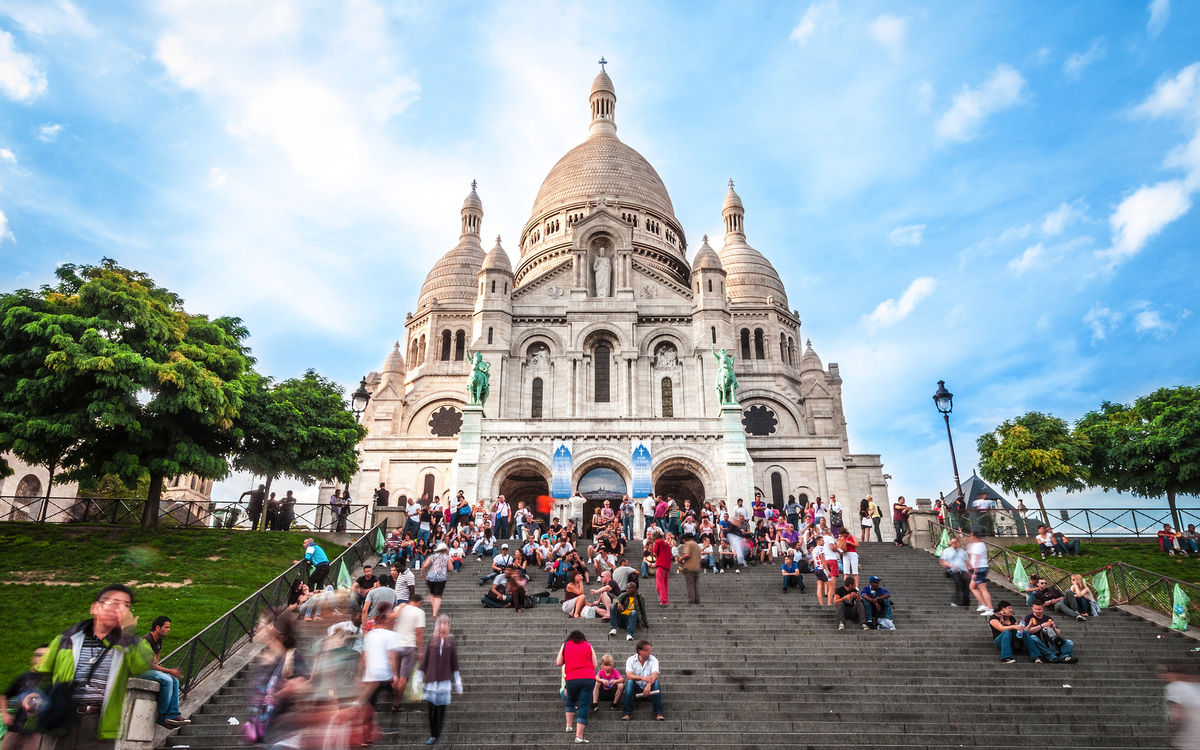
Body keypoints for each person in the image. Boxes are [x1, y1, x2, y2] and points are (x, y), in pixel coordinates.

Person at [35, 584, 156, 750]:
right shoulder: (67, 639)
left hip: (99, 726)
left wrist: (130, 631)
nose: (120, 609)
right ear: (95, 608)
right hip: (62, 720)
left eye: (126, 605)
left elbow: (141, 666)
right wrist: (34, 701)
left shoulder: (129, 644)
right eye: (114, 603)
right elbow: (40, 673)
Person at [417, 614, 462, 745]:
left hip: (444, 682)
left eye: (447, 624)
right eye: (443, 623)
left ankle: (435, 734)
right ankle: (433, 733)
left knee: (440, 711)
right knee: (431, 710)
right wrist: (418, 677)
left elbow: (454, 664)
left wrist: (458, 684)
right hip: (431, 682)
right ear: (438, 625)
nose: (445, 626)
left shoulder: (451, 642)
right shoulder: (432, 641)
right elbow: (425, 660)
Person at [139, 616, 188, 729]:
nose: (168, 630)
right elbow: (150, 665)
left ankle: (173, 714)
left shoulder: (158, 640)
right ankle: (162, 717)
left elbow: (157, 654)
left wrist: (157, 664)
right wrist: (169, 671)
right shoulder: (146, 641)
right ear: (158, 627)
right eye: (166, 627)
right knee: (167, 680)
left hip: (148, 670)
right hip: (138, 671)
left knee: (174, 680)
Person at [2, 644, 48, 750]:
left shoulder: (53, 679)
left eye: (45, 656)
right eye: (38, 655)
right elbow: (4, 696)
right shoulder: (24, 677)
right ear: (32, 658)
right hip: (15, 729)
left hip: (38, 733)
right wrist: (5, 714)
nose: (40, 658)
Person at [556, 631, 598, 743]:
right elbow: (595, 665)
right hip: (588, 678)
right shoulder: (588, 646)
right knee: (583, 706)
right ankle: (579, 736)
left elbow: (559, 662)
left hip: (571, 678)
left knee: (570, 699)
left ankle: (568, 725)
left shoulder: (565, 644)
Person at [392, 594, 425, 710]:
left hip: (395, 645)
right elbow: (419, 632)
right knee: (404, 676)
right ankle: (396, 703)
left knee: (395, 673)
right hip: (409, 646)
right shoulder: (419, 612)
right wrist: (420, 650)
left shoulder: (397, 609)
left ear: (410, 600)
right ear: (419, 602)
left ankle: (391, 689)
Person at [621, 640, 664, 722]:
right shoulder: (630, 660)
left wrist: (648, 684)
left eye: (650, 649)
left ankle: (658, 713)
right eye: (647, 650)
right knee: (629, 682)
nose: (650, 652)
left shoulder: (653, 660)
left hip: (650, 692)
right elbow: (629, 675)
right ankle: (627, 713)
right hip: (636, 692)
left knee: (656, 683)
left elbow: (655, 674)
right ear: (640, 651)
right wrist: (642, 678)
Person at [1162, 662, 1200, 749]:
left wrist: (1169, 738)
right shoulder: (1195, 687)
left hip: (1185, 743)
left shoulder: (1176, 686)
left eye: (1163, 671)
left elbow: (1177, 715)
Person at [965, 531, 993, 616]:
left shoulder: (980, 545)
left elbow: (977, 558)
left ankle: (990, 608)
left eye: (971, 536)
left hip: (980, 568)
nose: (970, 537)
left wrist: (975, 571)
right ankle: (984, 604)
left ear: (975, 536)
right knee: (972, 587)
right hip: (979, 568)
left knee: (983, 589)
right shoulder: (976, 545)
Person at [938, 535, 970, 607]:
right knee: (959, 585)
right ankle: (957, 601)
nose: (954, 544)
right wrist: (949, 565)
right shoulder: (946, 551)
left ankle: (966, 603)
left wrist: (968, 571)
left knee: (966, 587)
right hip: (954, 571)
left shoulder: (962, 552)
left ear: (958, 542)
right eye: (952, 542)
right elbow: (943, 561)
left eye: (955, 542)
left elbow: (967, 562)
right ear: (950, 543)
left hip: (963, 571)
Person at [421, 541, 450, 617]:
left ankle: (434, 608)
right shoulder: (447, 557)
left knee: (432, 594)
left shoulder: (432, 556)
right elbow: (451, 568)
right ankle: (435, 613)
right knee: (438, 596)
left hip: (431, 577)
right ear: (445, 550)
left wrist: (422, 573)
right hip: (441, 578)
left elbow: (424, 566)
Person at [678, 532, 701, 605]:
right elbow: (699, 558)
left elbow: (687, 554)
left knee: (690, 585)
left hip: (689, 567)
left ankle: (691, 600)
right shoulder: (697, 545)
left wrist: (680, 559)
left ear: (685, 539)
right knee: (695, 585)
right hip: (697, 567)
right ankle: (697, 600)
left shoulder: (688, 544)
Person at [652, 529, 673, 606]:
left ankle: (663, 600)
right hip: (667, 565)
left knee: (660, 584)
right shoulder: (667, 544)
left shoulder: (657, 542)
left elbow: (655, 552)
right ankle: (666, 599)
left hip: (660, 565)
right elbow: (670, 555)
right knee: (665, 584)